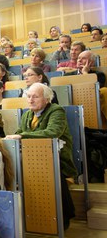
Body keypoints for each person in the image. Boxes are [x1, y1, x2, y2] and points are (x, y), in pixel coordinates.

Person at [5, 83, 76, 229]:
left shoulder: (56, 111)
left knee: (52, 174)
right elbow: (19, 132)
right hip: (31, 159)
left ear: (47, 99)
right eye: (29, 96)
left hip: (57, 159)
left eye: (35, 97)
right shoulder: (27, 114)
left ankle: (63, 218)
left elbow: (52, 133)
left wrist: (21, 136)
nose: (30, 100)